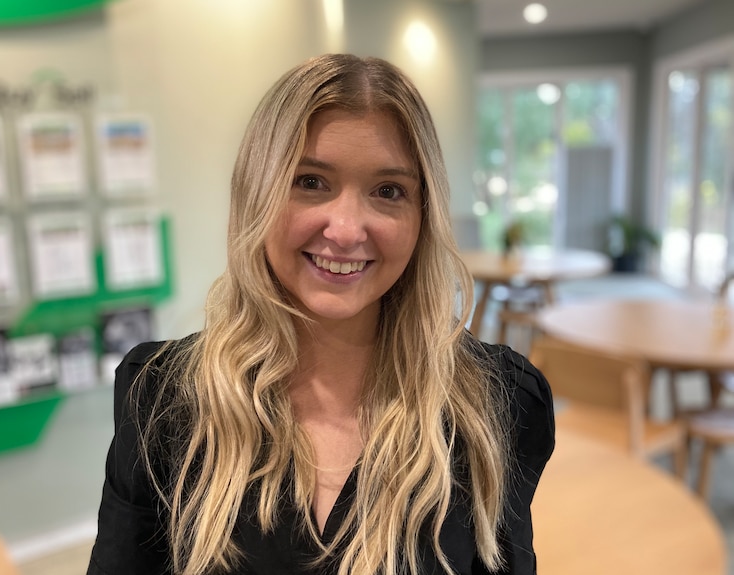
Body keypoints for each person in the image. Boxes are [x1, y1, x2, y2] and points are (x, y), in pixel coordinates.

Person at [87, 54, 555, 575]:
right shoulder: (164, 399)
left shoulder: (495, 402)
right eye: (310, 181)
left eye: (388, 191)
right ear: (256, 193)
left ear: (424, 214)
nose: (347, 229)